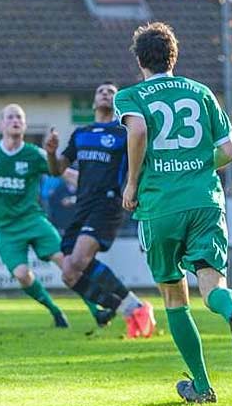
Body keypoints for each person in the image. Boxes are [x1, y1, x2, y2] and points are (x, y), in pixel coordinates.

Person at [114, 22, 232, 403]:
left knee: (175, 297)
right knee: (214, 288)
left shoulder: (131, 96)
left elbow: (137, 132)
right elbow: (228, 152)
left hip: (160, 205)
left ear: (140, 60)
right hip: (205, 202)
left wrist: (132, 183)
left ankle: (203, 387)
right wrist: (195, 165)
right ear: (173, 56)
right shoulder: (201, 92)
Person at [0, 104, 101, 328]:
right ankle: (55, 311)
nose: (15, 121)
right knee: (22, 275)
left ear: (25, 125)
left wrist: (98, 185)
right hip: (4, 227)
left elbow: (65, 173)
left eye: (19, 117)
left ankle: (96, 310)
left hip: (33, 220)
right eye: (10, 117)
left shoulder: (34, 154)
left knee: (66, 263)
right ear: (1, 124)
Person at [45, 81, 156, 338]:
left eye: (111, 92)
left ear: (116, 103)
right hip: (82, 206)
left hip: (108, 204)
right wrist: (51, 153)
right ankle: (132, 308)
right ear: (94, 101)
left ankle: (134, 309)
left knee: (78, 260)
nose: (105, 94)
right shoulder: (81, 134)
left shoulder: (124, 133)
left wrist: (134, 191)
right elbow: (57, 170)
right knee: (69, 274)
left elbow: (140, 163)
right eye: (101, 91)